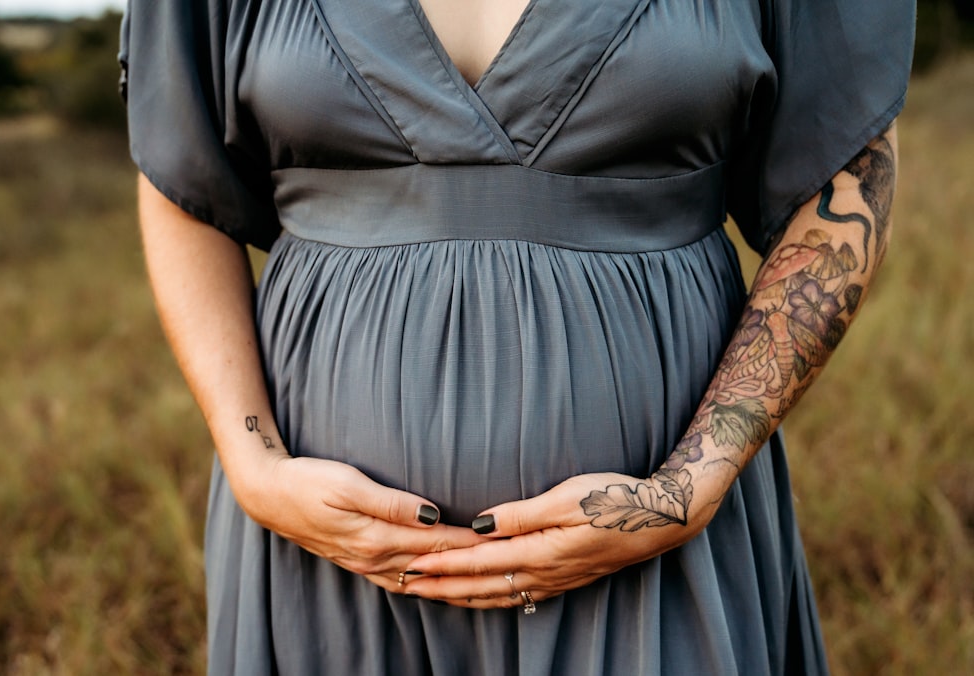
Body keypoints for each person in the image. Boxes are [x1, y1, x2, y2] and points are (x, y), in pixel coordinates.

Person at [120, 1, 915, 673]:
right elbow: (179, 175)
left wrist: (690, 485)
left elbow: (845, 177)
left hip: (661, 533)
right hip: (323, 548)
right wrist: (252, 459)